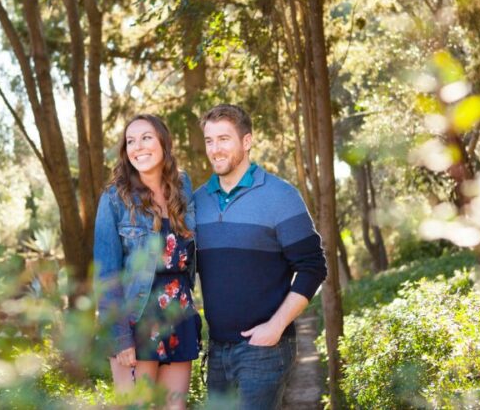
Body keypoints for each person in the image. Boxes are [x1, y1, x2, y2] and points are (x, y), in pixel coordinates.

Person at [193, 104, 328, 409]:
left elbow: (313, 267)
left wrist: (276, 326)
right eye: (209, 140)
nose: (215, 149)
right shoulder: (197, 202)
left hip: (265, 349)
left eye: (224, 139)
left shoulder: (280, 196)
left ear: (247, 141)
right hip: (216, 351)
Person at [94, 114, 200, 409]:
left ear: (164, 143)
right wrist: (120, 337)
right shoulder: (114, 199)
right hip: (135, 320)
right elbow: (106, 276)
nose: (137, 146)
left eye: (146, 138)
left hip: (179, 316)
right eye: (130, 141)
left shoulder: (182, 186)